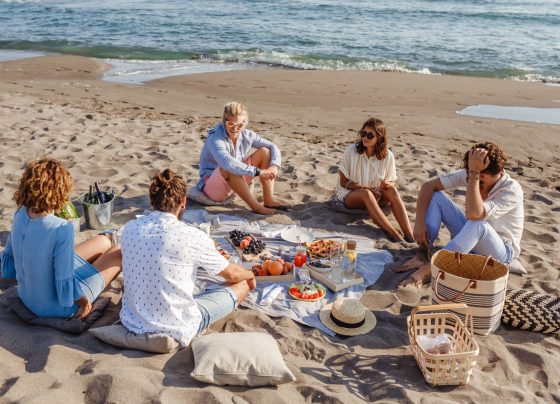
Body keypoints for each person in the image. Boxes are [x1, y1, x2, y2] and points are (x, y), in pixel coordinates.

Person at [119, 169, 256, 347]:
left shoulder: (130, 228)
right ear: (183, 202)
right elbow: (233, 275)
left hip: (132, 321)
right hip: (178, 326)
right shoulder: (192, 235)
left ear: (152, 201)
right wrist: (251, 274)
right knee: (242, 284)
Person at [0, 158, 122, 318]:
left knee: (104, 241)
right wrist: (84, 303)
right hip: (57, 306)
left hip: (27, 297)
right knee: (119, 251)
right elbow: (63, 281)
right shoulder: (61, 227)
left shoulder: (20, 213)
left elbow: (8, 266)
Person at [396, 142, 524, 287]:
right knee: (436, 197)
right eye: (473, 172)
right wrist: (419, 222)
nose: (477, 179)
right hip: (471, 237)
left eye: (481, 176)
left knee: (477, 223)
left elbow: (474, 214)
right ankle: (422, 254)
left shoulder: (511, 189)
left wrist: (475, 175)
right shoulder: (473, 173)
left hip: (501, 252)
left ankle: (429, 270)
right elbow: (428, 186)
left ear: (498, 173)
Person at [197, 101, 288, 215]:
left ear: (245, 123)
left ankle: (268, 200)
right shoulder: (215, 138)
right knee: (231, 167)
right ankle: (256, 208)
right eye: (231, 124)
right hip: (212, 187)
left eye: (239, 125)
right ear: (224, 121)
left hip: (234, 180)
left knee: (265, 152)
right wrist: (259, 172)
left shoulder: (247, 135)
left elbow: (272, 146)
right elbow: (227, 163)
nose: (235, 128)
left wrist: (274, 166)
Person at [335, 117, 414, 242]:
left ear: (380, 138)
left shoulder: (388, 156)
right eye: (363, 133)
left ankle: (409, 235)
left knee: (392, 190)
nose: (365, 137)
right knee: (366, 194)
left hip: (377, 196)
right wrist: (365, 188)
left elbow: (391, 180)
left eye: (370, 135)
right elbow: (343, 182)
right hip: (350, 195)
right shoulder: (351, 151)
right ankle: (394, 235)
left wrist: (385, 185)